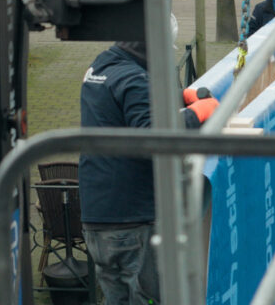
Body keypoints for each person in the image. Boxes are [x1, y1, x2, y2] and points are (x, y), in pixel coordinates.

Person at [79, 17, 218, 305]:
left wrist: (178, 97)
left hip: (97, 219)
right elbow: (154, 138)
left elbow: (125, 113)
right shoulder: (135, 80)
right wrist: (198, 113)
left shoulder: (100, 68)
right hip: (133, 223)